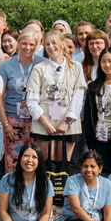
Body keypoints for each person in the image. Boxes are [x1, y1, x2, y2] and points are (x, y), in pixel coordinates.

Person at [24, 30, 86, 208]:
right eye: (47, 44)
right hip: (43, 122)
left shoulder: (76, 67)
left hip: (68, 123)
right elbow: (31, 100)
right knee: (45, 165)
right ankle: (45, 205)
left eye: (54, 43)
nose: (51, 47)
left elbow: (78, 97)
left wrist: (67, 121)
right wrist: (45, 123)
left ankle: (64, 206)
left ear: (62, 44)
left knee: (65, 167)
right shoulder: (39, 68)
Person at [0, 31, 44, 174]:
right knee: (13, 160)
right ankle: (11, 187)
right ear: (18, 43)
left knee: (34, 160)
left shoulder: (42, 63)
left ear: (37, 46)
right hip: (13, 119)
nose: (27, 47)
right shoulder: (6, 65)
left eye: (31, 44)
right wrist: (5, 124)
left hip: (36, 119)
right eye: (24, 43)